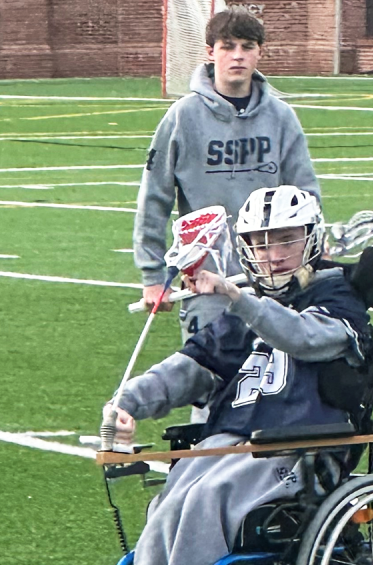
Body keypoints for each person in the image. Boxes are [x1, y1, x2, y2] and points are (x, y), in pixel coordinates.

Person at [88, 186, 370, 565]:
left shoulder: (337, 298)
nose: (273, 254)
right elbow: (190, 368)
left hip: (299, 444)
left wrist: (238, 298)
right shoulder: (247, 310)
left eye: (285, 239)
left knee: (207, 497)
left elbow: (300, 337)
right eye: (260, 244)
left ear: (311, 239)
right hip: (234, 439)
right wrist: (127, 402)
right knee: (170, 499)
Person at [133, 5, 320, 361]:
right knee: (208, 383)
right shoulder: (182, 117)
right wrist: (153, 275)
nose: (238, 56)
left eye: (247, 46)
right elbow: (154, 199)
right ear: (210, 52)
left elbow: (306, 193)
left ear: (259, 53)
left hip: (273, 277)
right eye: (227, 46)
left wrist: (312, 253)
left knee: (275, 382)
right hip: (206, 279)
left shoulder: (281, 117)